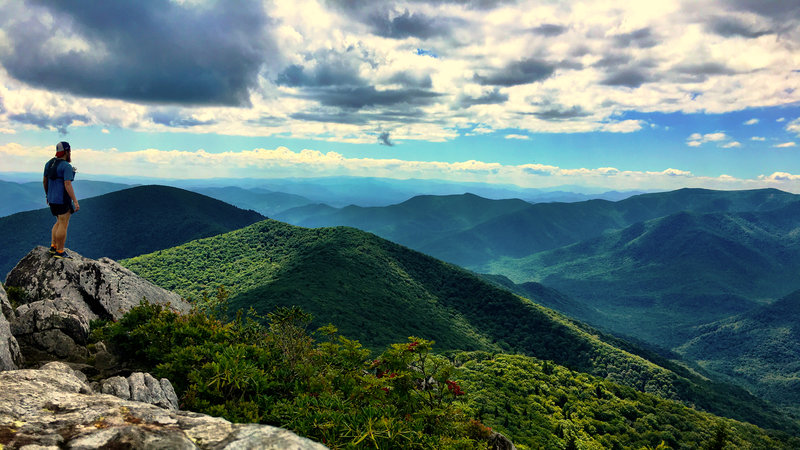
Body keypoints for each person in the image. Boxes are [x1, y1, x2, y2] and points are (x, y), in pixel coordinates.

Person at [43, 141, 80, 258]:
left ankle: (53, 246)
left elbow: (45, 181)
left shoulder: (48, 164)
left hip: (52, 199)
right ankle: (60, 251)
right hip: (62, 199)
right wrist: (75, 201)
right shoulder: (66, 166)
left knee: (58, 222)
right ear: (67, 151)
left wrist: (47, 195)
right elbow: (67, 184)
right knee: (63, 224)